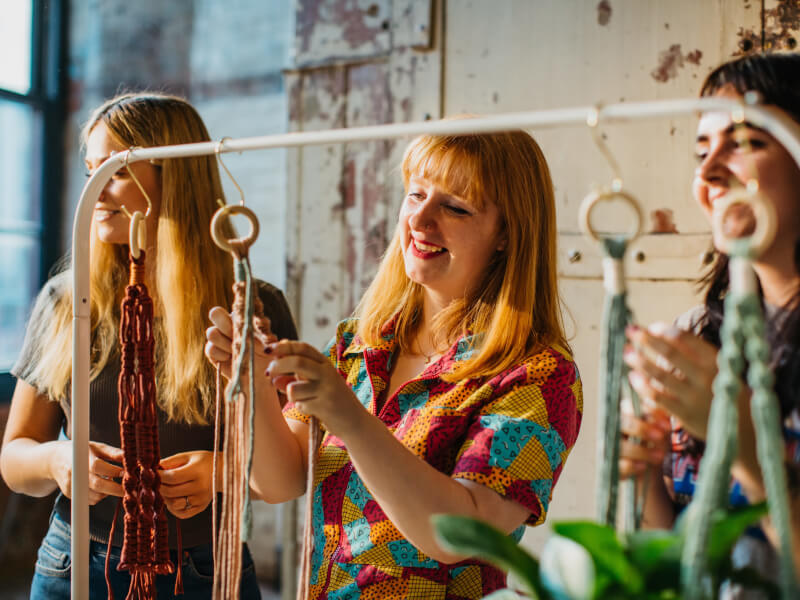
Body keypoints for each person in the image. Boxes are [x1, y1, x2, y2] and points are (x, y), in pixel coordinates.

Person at [206, 128, 584, 598]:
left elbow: (458, 536)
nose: (421, 220)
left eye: (456, 207)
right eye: (416, 195)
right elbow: (278, 480)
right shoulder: (360, 340)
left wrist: (353, 420)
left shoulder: (539, 373)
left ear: (507, 233)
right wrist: (251, 384)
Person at [0, 92, 297, 599]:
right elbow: (15, 459)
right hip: (73, 566)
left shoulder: (251, 303)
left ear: (176, 174)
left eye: (114, 171)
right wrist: (56, 461)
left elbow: (289, 471)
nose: (94, 190)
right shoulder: (66, 301)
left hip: (209, 572)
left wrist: (224, 473)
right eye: (90, 169)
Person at [619, 53, 800, 593]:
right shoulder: (698, 332)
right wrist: (644, 472)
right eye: (702, 150)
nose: (709, 170)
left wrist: (746, 449)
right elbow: (671, 546)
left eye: (744, 141)